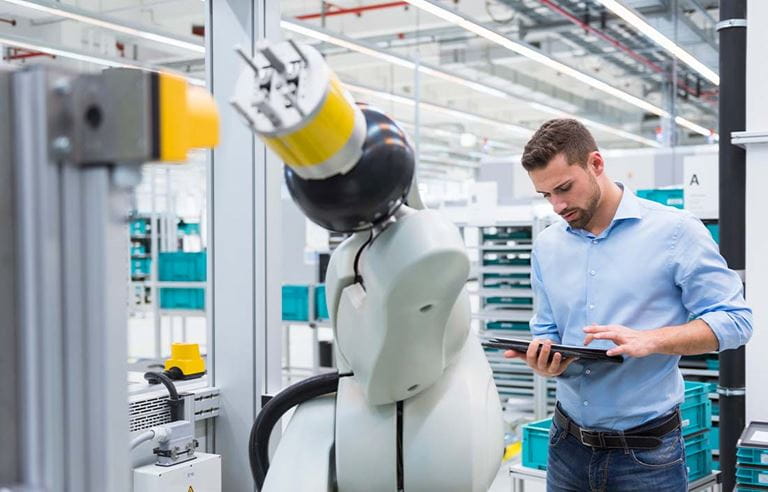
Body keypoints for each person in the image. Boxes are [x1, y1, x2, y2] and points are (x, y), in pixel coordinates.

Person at [504, 118, 752, 491]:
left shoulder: (675, 232)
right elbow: (547, 330)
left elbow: (736, 320)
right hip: (567, 446)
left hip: (647, 455)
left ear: (596, 164)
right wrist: (547, 360)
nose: (557, 205)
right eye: (546, 195)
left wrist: (652, 340)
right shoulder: (547, 245)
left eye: (564, 188)